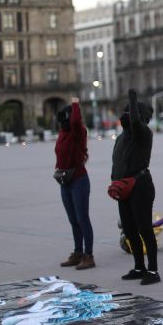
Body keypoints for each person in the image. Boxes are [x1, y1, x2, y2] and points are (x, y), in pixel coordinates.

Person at [113, 89, 160, 285]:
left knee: (145, 230)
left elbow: (134, 121)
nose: (125, 115)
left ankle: (153, 270)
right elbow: (117, 162)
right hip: (123, 188)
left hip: (140, 185)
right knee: (130, 229)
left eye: (129, 112)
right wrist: (115, 182)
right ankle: (139, 266)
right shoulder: (121, 137)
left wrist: (132, 97)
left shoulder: (143, 133)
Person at [55, 98, 95, 270]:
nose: (65, 120)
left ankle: (89, 256)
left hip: (79, 180)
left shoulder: (79, 132)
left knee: (82, 219)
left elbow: (76, 121)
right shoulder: (63, 133)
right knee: (73, 220)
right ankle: (78, 252)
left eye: (67, 117)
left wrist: (75, 104)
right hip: (65, 182)